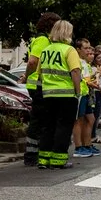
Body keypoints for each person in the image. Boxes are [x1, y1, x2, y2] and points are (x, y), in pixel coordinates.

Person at [36, 20, 81, 170]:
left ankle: (43, 159)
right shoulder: (69, 50)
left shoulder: (45, 50)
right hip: (66, 95)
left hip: (48, 94)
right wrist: (77, 91)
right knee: (63, 127)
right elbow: (75, 71)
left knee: (48, 126)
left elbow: (40, 73)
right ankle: (58, 159)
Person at [20, 12, 61, 166]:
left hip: (39, 85)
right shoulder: (42, 40)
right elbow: (32, 62)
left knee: (41, 120)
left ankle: (36, 153)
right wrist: (26, 76)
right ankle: (31, 155)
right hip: (37, 86)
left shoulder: (44, 39)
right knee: (38, 121)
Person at [72, 39, 99, 158]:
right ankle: (78, 147)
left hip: (86, 93)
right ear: (78, 50)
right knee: (79, 120)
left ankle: (87, 144)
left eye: (89, 48)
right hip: (80, 93)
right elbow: (80, 77)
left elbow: (87, 78)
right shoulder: (76, 61)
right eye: (86, 48)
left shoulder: (84, 62)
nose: (88, 51)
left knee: (90, 119)